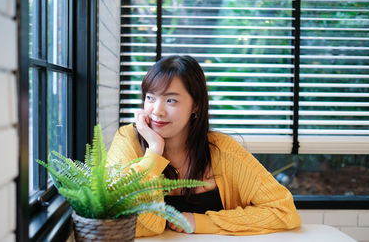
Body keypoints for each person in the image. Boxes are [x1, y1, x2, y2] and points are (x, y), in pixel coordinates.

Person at [107, 55, 302, 237]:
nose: (157, 111)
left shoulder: (221, 149)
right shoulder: (128, 140)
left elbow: (284, 211)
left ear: (196, 106)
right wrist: (154, 153)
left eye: (171, 100)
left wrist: (202, 222)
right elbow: (115, 217)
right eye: (150, 97)